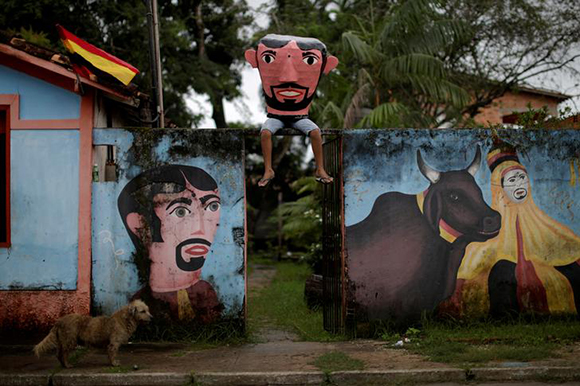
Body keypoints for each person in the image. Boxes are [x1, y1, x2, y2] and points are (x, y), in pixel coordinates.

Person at [441, 142, 580, 318]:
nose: (518, 185)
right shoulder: (487, 235)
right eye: (512, 180)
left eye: (521, 178)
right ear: (500, 188)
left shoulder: (547, 225)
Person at [117, 165, 224, 323]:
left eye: (212, 207)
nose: (201, 229)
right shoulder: (142, 303)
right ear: (139, 225)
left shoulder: (205, 291)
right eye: (180, 211)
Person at [244, 34, 339, 187]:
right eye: (268, 58)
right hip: (277, 116)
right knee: (266, 132)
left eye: (310, 60)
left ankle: (320, 168)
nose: (288, 77)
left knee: (315, 132)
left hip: (299, 117)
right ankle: (268, 169)